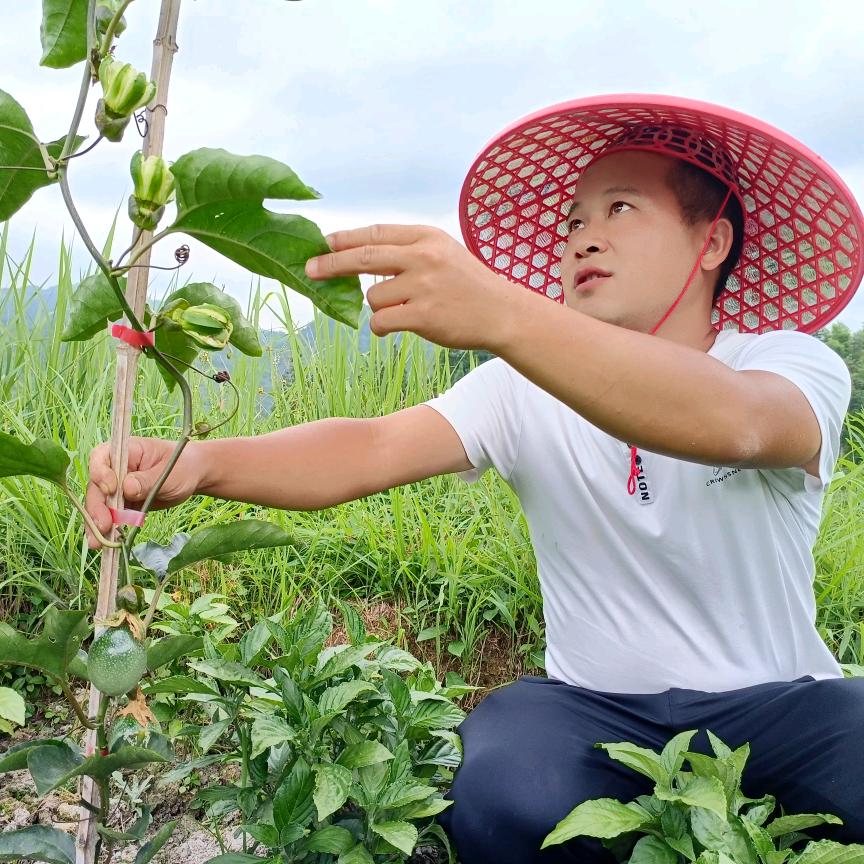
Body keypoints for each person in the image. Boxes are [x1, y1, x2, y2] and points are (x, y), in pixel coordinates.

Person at [85, 95, 864, 862]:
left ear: (713, 240)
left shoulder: (785, 362)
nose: (585, 238)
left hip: (779, 708)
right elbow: (372, 447)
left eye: (621, 209)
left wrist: (507, 315)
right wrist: (205, 462)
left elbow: (745, 423)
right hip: (594, 713)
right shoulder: (523, 388)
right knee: (501, 784)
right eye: (575, 221)